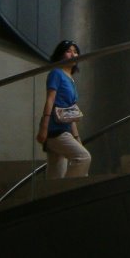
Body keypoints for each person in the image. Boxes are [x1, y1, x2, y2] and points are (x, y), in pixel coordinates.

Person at [36, 40, 91, 179]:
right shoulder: (56, 73)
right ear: (60, 55)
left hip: (64, 128)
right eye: (69, 51)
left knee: (55, 177)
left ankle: (54, 196)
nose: (73, 54)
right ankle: (69, 192)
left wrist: (77, 138)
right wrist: (44, 127)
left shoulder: (71, 79)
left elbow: (70, 112)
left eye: (75, 51)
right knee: (83, 158)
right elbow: (50, 99)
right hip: (55, 130)